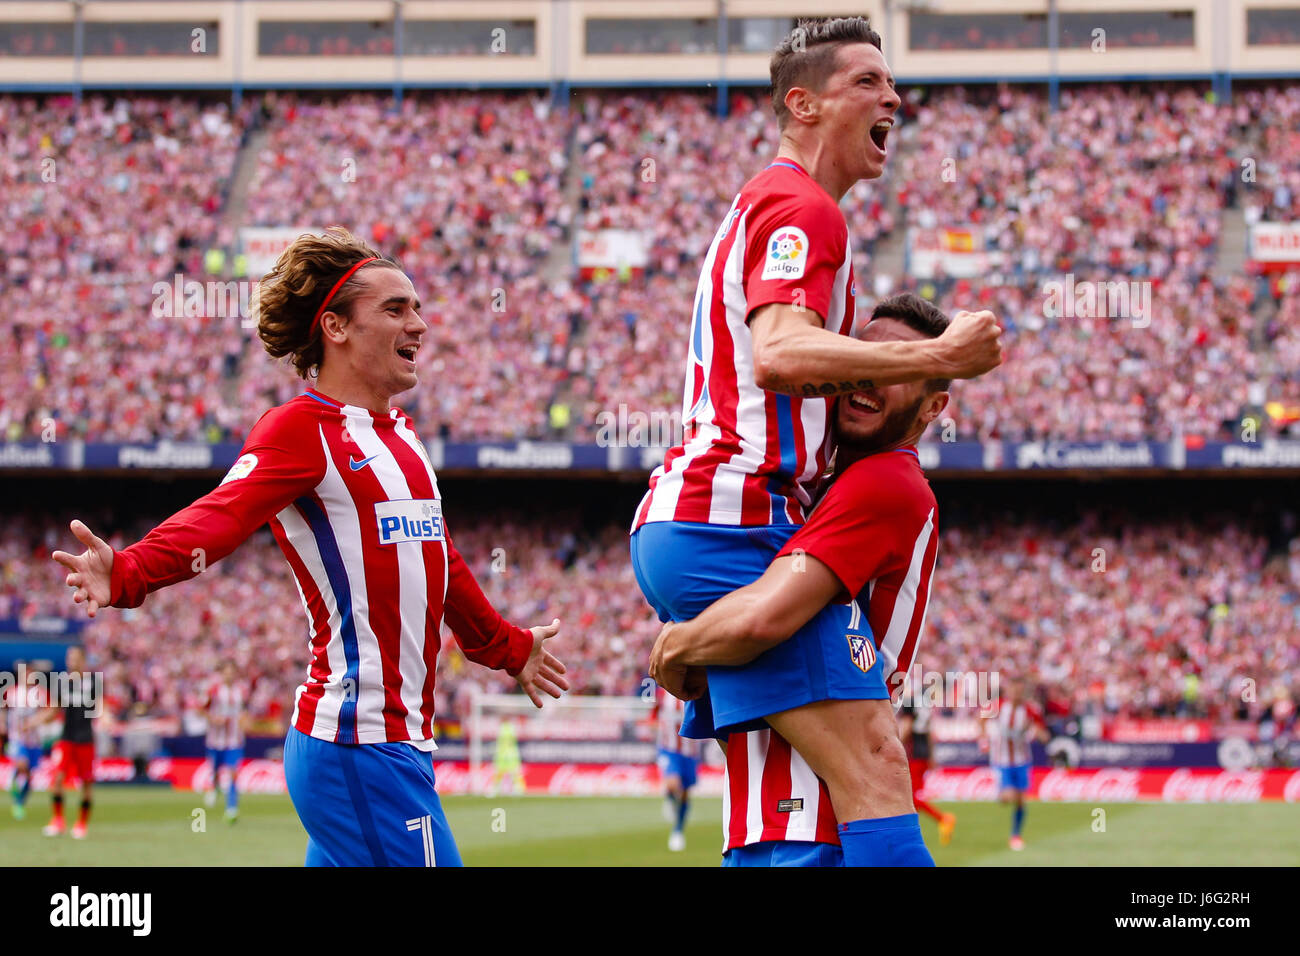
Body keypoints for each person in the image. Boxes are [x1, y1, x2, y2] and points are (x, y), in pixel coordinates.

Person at [52, 227, 569, 866]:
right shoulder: (300, 430)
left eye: (417, 307)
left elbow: (436, 559)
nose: (421, 324)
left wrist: (505, 645)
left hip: (389, 744)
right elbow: (222, 516)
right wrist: (128, 571)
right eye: (396, 308)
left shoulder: (402, 438)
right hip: (357, 743)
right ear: (336, 327)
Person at [629, 17, 1001, 868]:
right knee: (874, 761)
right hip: (732, 515)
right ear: (803, 102)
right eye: (868, 81)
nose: (894, 99)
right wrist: (937, 354)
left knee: (849, 761)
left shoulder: (781, 207)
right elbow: (781, 355)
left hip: (715, 514)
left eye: (891, 82)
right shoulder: (803, 205)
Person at [651, 294, 949, 865]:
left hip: (815, 820)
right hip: (778, 821)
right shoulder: (818, 484)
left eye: (896, 366)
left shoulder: (886, 480)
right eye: (860, 352)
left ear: (932, 406)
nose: (866, 372)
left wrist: (676, 645)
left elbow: (765, 617)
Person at [986, 679, 1047, 851]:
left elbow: (1042, 731)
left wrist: (1040, 734)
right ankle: (1001, 793)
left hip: (1022, 760)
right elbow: (980, 719)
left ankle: (1016, 835)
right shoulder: (998, 706)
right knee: (1008, 798)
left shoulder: (1029, 710)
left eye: (1020, 691)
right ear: (1008, 691)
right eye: (1014, 690)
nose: (1016, 694)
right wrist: (983, 738)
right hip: (1002, 760)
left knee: (1021, 801)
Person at [43, 646, 96, 839]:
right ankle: (58, 821)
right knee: (57, 779)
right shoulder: (62, 683)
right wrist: (35, 721)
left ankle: (81, 824)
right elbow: (54, 710)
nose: (70, 662)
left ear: (83, 661)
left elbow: (101, 706)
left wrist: (106, 717)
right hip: (66, 738)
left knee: (86, 784)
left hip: (85, 740)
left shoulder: (93, 682)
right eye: (68, 658)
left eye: (74, 658)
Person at [898, 698, 956, 845]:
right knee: (912, 798)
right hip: (922, 756)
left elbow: (907, 727)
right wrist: (931, 755)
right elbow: (929, 732)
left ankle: (942, 818)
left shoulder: (908, 702)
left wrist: (896, 745)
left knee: (910, 797)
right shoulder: (921, 703)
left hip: (913, 755)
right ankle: (908, 831)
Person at [653, 686, 699, 852]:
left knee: (685, 793)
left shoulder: (696, 688)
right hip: (669, 748)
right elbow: (653, 714)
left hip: (690, 750)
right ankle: (670, 799)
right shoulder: (662, 692)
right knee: (673, 784)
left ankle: (678, 830)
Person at [203, 660, 247, 823]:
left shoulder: (241, 691)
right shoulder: (214, 690)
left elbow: (244, 711)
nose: (229, 675)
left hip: (235, 740)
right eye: (226, 672)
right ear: (222, 674)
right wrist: (214, 719)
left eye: (232, 672)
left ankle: (232, 808)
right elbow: (203, 710)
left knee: (232, 772)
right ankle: (214, 787)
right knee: (215, 770)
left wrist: (243, 721)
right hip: (216, 740)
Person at [5, 662, 47, 821]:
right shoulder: (12, 693)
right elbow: (5, 711)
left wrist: (35, 722)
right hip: (18, 737)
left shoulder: (40, 694)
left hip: (35, 739)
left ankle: (20, 802)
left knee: (29, 774)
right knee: (22, 765)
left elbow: (46, 714)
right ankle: (15, 787)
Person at [486, 718, 526, 797]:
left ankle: (518, 789)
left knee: (513, 773)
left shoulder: (506, 728)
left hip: (508, 754)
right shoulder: (509, 728)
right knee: (502, 772)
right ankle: (496, 789)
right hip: (506, 754)